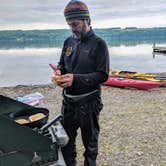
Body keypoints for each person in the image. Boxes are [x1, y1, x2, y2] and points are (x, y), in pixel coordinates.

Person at [52, 0, 110, 165]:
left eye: (75, 24)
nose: (72, 28)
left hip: (89, 103)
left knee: (90, 146)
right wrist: (59, 73)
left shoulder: (99, 44)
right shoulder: (68, 42)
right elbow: (62, 64)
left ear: (87, 21)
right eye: (69, 24)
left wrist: (75, 79)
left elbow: (102, 75)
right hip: (68, 102)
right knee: (66, 144)